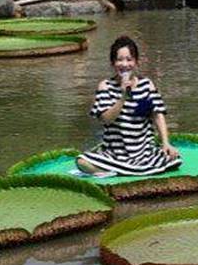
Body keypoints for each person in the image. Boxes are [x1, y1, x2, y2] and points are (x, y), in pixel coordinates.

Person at [77, 36, 181, 176]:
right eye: (120, 60)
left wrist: (166, 143)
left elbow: (157, 115)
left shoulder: (147, 85)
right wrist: (123, 97)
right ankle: (122, 170)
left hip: (144, 153)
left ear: (136, 62)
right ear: (113, 62)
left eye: (129, 59)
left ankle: (121, 171)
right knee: (82, 162)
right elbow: (105, 119)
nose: (124, 64)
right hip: (115, 153)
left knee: (174, 159)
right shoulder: (105, 86)